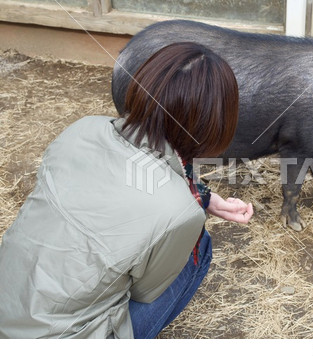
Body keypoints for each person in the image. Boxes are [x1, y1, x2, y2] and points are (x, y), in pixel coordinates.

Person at [0, 42, 253, 338]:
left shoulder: (82, 129)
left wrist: (203, 196)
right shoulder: (180, 212)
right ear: (215, 123)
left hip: (10, 309)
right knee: (201, 244)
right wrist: (192, 205)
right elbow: (145, 292)